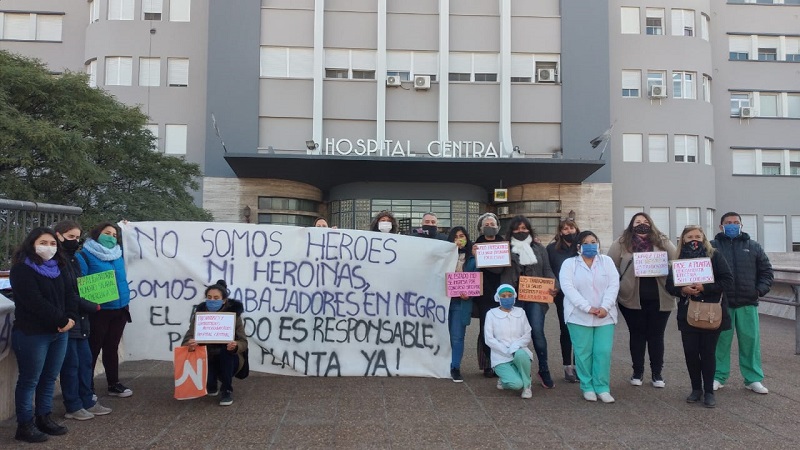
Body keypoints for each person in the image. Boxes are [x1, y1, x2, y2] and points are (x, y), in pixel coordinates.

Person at [9, 227, 77, 443]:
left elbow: (69, 294)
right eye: (43, 242)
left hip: (60, 332)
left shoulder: (60, 266)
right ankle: (25, 425)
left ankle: (43, 417)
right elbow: (35, 302)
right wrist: (61, 321)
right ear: (32, 243)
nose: (49, 247)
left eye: (52, 244)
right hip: (33, 333)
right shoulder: (21, 269)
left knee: (49, 378)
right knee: (30, 379)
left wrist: (70, 318)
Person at [666, 225, 734, 408]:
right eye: (690, 237)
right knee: (690, 353)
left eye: (698, 235)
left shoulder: (715, 256)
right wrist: (682, 290)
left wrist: (705, 287)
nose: (694, 239)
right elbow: (669, 286)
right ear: (684, 240)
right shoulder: (678, 259)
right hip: (688, 313)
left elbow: (728, 280)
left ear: (703, 238)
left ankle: (709, 391)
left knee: (708, 353)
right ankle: (696, 389)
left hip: (712, 311)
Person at [607, 212, 677, 388]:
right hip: (631, 298)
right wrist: (619, 283)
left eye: (645, 221)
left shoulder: (661, 240)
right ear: (631, 225)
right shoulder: (621, 242)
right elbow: (610, 265)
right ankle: (637, 372)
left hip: (660, 297)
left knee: (656, 336)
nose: (642, 224)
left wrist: (663, 265)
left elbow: (677, 259)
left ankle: (657, 373)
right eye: (638, 222)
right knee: (637, 335)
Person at [53, 221, 112, 421]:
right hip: (69, 320)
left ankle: (87, 401)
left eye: (77, 237)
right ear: (58, 236)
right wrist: (89, 305)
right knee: (71, 365)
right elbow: (67, 293)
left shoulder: (74, 259)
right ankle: (73, 405)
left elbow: (81, 286)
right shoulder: (57, 262)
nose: (75, 241)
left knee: (85, 363)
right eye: (71, 237)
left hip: (82, 320)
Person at [711, 212, 774, 394]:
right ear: (721, 226)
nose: (732, 225)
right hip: (722, 303)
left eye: (735, 222)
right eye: (728, 222)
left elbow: (766, 272)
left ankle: (753, 378)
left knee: (750, 342)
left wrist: (759, 290)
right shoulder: (713, 247)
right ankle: (718, 376)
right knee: (720, 342)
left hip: (748, 302)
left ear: (741, 225)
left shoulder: (753, 247)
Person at [559, 230, 620, 403]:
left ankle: (602, 387)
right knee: (583, 353)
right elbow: (568, 288)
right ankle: (587, 386)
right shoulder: (569, 264)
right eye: (586, 242)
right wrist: (587, 308)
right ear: (578, 246)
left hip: (605, 315)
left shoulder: (606, 261)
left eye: (593, 241)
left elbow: (613, 285)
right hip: (578, 315)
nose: (590, 245)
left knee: (603, 351)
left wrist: (604, 306)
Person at [500, 215, 558, 389]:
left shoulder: (539, 248)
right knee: (513, 335)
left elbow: (548, 270)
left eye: (524, 228)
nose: (521, 231)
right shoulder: (504, 248)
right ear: (511, 231)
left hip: (535, 296)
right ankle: (515, 370)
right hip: (513, 297)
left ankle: (543, 368)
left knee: (537, 332)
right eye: (517, 229)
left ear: (529, 230)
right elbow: (496, 269)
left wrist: (555, 285)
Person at [77, 222, 133, 398]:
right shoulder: (84, 256)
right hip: (98, 310)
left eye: (115, 234)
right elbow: (81, 283)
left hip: (120, 308)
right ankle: (87, 388)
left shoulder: (119, 255)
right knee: (92, 349)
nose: (111, 237)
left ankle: (113, 384)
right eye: (107, 233)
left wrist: (128, 227)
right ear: (97, 233)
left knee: (112, 347)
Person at [182, 280, 248, 406]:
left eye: (216, 298)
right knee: (208, 362)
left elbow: (243, 341)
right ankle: (211, 383)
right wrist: (189, 344)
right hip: (206, 356)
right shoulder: (199, 316)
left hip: (229, 358)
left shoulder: (234, 316)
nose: (212, 300)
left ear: (224, 300)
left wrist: (235, 346)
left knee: (226, 353)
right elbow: (187, 338)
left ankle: (227, 389)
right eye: (209, 297)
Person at [484, 284, 534, 399]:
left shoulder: (521, 312)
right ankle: (505, 380)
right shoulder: (491, 314)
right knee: (516, 385)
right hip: (501, 356)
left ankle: (527, 386)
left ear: (514, 296)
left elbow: (527, 334)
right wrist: (506, 350)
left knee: (522, 354)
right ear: (498, 297)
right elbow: (489, 339)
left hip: (518, 351)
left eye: (510, 295)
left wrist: (515, 347)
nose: (507, 298)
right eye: (504, 296)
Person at [546, 218, 580, 383]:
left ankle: (579, 365)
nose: (569, 231)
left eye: (571, 228)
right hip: (561, 295)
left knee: (581, 331)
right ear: (560, 232)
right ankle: (568, 366)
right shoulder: (552, 249)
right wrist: (556, 286)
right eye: (565, 229)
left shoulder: (582, 247)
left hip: (582, 295)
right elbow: (549, 270)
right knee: (565, 330)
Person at [473, 212, 504, 377]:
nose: (490, 227)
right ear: (481, 228)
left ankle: (500, 362)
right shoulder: (476, 245)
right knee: (485, 328)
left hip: (502, 292)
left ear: (497, 227)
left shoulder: (505, 244)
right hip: (484, 293)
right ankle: (486, 364)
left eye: (492, 224)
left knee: (501, 329)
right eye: (486, 225)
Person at [446, 226, 477, 382]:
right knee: (443, 335)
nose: (460, 239)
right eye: (456, 236)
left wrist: (469, 293)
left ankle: (455, 367)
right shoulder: (444, 256)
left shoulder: (472, 258)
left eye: (462, 236)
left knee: (457, 337)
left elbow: (477, 280)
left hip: (461, 303)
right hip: (443, 302)